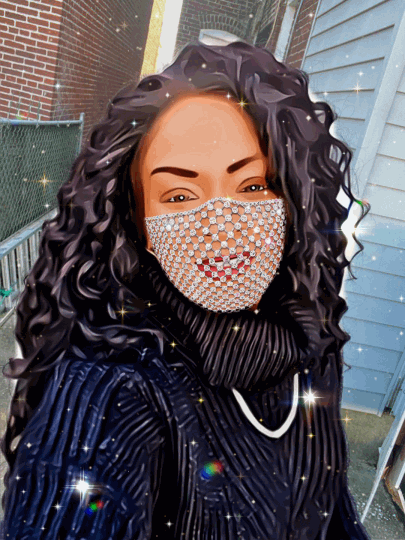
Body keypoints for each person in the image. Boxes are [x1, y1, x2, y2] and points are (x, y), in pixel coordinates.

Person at [0, 41, 371, 539]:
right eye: (179, 196)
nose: (221, 225)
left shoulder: (310, 341)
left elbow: (331, 509)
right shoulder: (109, 393)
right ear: (138, 224)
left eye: (252, 186)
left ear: (293, 202)